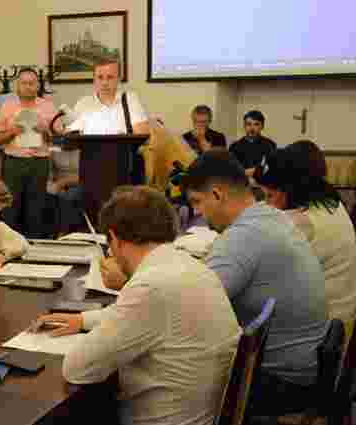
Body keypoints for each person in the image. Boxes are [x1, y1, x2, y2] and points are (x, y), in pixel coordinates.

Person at [33, 186, 241, 425]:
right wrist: (83, 320)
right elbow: (142, 316)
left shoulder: (151, 286)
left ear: (114, 238)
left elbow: (78, 368)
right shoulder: (190, 266)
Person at [181, 150, 327, 416]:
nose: (197, 212)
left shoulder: (244, 236)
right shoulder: (272, 217)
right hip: (303, 369)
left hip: (281, 383)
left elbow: (188, 306)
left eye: (197, 202)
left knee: (166, 378)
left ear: (217, 194)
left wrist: (138, 276)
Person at [254, 140, 356, 336]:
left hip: (322, 332)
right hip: (341, 320)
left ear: (290, 187)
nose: (267, 203)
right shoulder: (331, 203)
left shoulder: (302, 221)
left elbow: (261, 271)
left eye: (269, 196)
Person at [0, 67, 57, 238]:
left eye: (31, 83)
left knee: (36, 209)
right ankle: (9, 246)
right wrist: (12, 132)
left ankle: (35, 247)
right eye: (24, 83)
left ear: (38, 85)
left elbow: (59, 140)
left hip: (39, 163)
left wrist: (45, 131)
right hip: (14, 163)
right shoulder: (7, 107)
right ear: (18, 86)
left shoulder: (48, 107)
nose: (28, 87)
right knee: (10, 208)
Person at [67, 59, 149, 184]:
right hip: (91, 170)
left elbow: (142, 135)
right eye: (100, 77)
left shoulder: (129, 99)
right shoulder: (83, 103)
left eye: (110, 77)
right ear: (94, 79)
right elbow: (71, 137)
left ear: (118, 79)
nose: (104, 83)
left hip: (125, 170)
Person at [47, 148, 84, 235]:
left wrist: (63, 183)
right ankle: (50, 231)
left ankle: (63, 231)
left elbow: (84, 175)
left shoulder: (82, 151)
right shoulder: (54, 151)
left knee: (69, 196)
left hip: (78, 182)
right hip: (58, 184)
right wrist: (54, 186)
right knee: (49, 195)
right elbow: (50, 174)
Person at [229, 110, 277, 176]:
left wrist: (257, 171)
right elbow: (230, 169)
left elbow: (272, 168)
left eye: (256, 124)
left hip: (263, 181)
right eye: (249, 124)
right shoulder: (234, 146)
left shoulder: (270, 145)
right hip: (241, 180)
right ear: (244, 126)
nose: (252, 128)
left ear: (262, 126)